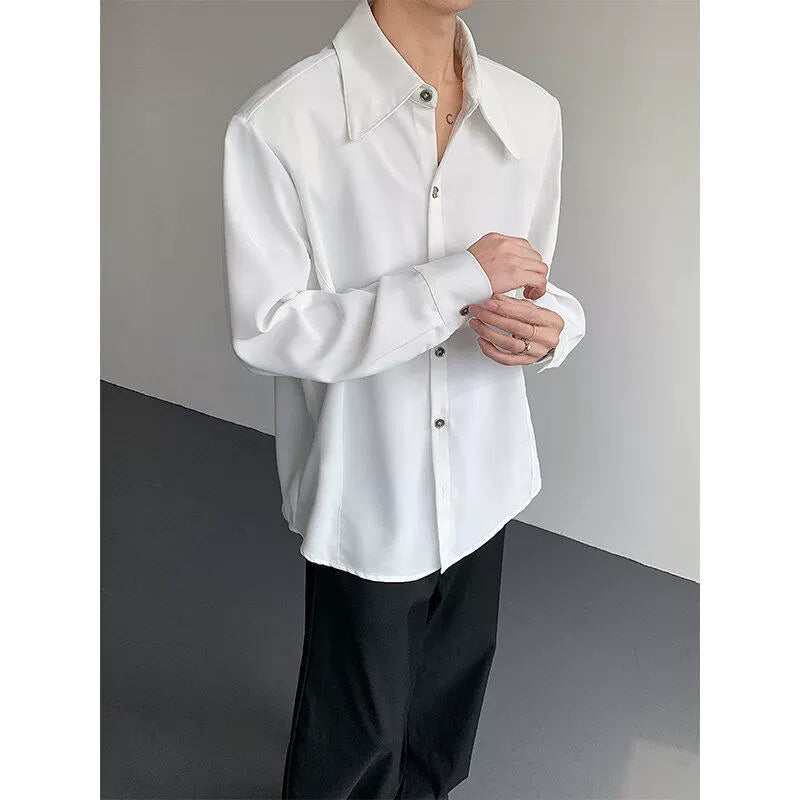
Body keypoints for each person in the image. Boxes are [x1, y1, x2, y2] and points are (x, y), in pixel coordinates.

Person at [222, 0, 585, 796]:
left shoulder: (532, 114)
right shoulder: (283, 123)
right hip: (369, 488)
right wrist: (452, 282)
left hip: (487, 477)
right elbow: (269, 331)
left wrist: (556, 327)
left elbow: (537, 282)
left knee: (445, 719)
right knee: (354, 735)